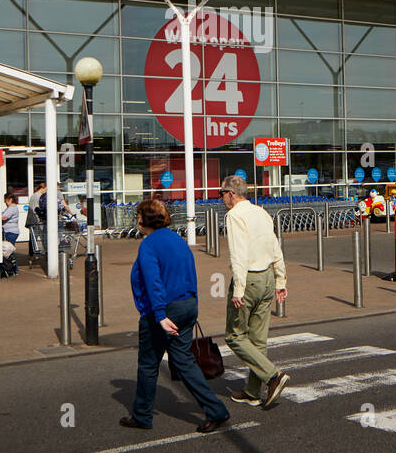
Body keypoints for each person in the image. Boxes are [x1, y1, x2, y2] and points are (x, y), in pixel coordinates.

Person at [123, 198, 230, 434]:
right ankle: (215, 410)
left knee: (148, 364)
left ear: (145, 219)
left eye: (138, 216)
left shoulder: (149, 244)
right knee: (183, 361)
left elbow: (153, 281)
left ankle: (141, 415)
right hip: (187, 305)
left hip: (163, 310)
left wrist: (160, 315)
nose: (137, 220)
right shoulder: (177, 240)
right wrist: (192, 306)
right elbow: (189, 273)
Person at [220, 175, 290, 409]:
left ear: (231, 194)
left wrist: (238, 289)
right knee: (258, 340)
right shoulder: (261, 212)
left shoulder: (234, 216)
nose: (221, 198)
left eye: (222, 193)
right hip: (267, 277)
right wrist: (280, 280)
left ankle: (273, 375)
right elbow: (275, 247)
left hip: (248, 279)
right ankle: (252, 392)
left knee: (235, 336)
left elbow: (238, 255)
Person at [1, 193, 21, 259]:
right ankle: (11, 263)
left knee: (9, 251)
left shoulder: (12, 208)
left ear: (10, 200)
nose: (5, 202)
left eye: (6, 200)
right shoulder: (12, 208)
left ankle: (12, 264)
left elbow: (4, 217)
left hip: (11, 232)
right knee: (9, 250)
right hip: (11, 231)